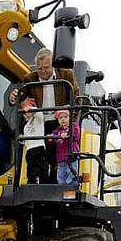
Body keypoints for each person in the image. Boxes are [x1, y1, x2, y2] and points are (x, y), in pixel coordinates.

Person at [9, 48, 80, 183]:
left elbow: (77, 98)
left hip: (59, 121)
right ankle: (38, 181)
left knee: (58, 154)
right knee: (38, 154)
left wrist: (69, 123)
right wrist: (13, 98)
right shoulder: (30, 79)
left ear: (53, 64)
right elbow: (21, 97)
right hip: (40, 123)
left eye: (46, 68)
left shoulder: (67, 76)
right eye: (39, 68)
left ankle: (57, 182)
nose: (43, 71)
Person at [49, 109, 81, 186]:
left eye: (65, 117)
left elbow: (75, 136)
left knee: (72, 174)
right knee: (60, 176)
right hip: (60, 158)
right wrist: (50, 138)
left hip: (71, 156)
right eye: (60, 118)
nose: (63, 119)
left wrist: (67, 134)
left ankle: (70, 188)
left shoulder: (74, 126)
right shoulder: (57, 130)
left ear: (70, 118)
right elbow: (53, 142)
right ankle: (62, 189)